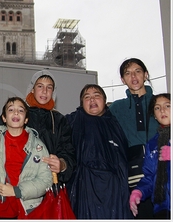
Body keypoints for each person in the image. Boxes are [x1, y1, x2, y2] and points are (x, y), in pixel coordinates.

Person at [0, 70, 76, 184]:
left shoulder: (59, 120)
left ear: (53, 92)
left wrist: (62, 164)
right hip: (14, 183)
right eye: (40, 86)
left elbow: (68, 152)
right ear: (32, 89)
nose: (44, 91)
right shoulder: (17, 112)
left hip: (46, 185)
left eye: (49, 87)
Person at [65, 84, 132, 219]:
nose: (92, 100)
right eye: (87, 97)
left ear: (105, 100)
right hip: (85, 188)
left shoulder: (117, 123)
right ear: (81, 103)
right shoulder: (71, 122)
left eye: (96, 96)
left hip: (114, 189)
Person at [0, 97, 52, 219]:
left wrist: (16, 191)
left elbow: (46, 180)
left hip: (28, 208)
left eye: (21, 110)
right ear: (3, 118)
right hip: (0, 206)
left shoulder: (38, 147)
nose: (16, 112)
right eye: (11, 109)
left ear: (26, 120)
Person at [109, 58, 159, 218]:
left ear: (145, 74)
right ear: (123, 80)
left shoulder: (161, 103)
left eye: (137, 71)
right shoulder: (117, 108)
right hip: (133, 172)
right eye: (128, 73)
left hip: (163, 167)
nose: (133, 76)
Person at [130, 93, 171, 219]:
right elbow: (149, 177)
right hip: (161, 207)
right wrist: (139, 192)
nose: (162, 110)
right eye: (157, 108)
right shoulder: (153, 143)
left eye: (167, 105)